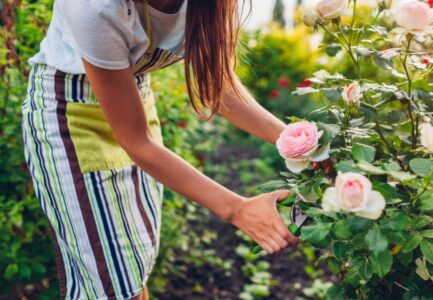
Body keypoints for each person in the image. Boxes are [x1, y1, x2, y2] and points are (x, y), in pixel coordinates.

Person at [22, 0, 299, 299]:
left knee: (132, 262)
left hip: (134, 103)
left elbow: (218, 87)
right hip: (70, 115)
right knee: (112, 279)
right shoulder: (95, 6)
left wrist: (297, 143)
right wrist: (237, 209)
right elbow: (137, 142)